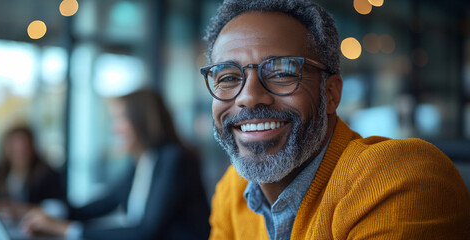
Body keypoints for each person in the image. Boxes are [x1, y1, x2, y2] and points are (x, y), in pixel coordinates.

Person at [200, 0, 470, 239]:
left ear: (331, 93)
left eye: (282, 73)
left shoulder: (401, 181)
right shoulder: (233, 191)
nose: (249, 96)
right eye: (228, 78)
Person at [21, 89, 211, 240]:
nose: (114, 128)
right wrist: (46, 211)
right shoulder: (144, 161)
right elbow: (103, 203)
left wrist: (64, 229)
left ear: (141, 120)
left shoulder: (175, 160)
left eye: (120, 119)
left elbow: (145, 231)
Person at [0, 125, 65, 219]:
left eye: (23, 148)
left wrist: (23, 209)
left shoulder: (47, 175)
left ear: (32, 148)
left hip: (35, 228)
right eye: (15, 149)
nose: (19, 153)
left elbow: (59, 208)